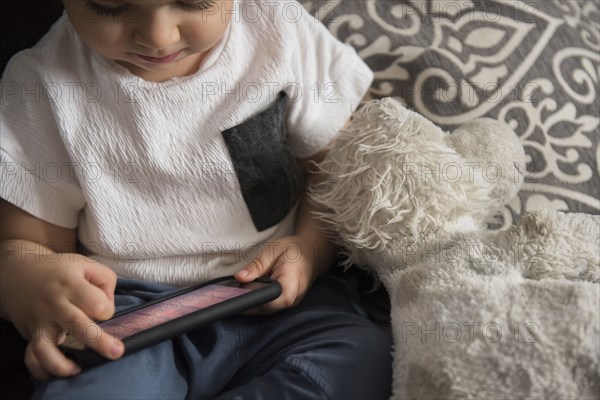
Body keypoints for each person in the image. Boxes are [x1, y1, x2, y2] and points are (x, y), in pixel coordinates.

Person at [0, 0, 392, 398]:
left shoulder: (277, 28)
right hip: (130, 315)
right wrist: (32, 286)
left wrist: (310, 249)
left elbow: (336, 172)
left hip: (277, 298)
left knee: (363, 358)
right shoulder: (42, 83)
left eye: (192, 2)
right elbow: (28, 248)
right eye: (111, 7)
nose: (158, 36)